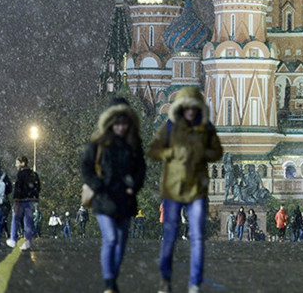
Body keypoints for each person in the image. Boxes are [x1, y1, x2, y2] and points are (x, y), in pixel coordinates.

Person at [149, 86, 222, 293]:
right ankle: (165, 279)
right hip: (173, 188)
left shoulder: (205, 128)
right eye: (187, 106)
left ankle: (195, 283)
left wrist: (202, 152)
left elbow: (217, 151)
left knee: (197, 237)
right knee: (170, 234)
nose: (190, 110)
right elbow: (154, 150)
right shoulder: (171, 127)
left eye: (194, 106)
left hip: (197, 188)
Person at [81, 96, 147, 293]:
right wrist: (98, 185)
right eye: (117, 123)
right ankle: (109, 282)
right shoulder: (99, 142)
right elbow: (86, 167)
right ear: (110, 122)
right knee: (110, 238)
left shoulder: (133, 143)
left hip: (125, 200)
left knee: (121, 241)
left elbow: (140, 169)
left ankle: (113, 278)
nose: (121, 127)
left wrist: (133, 186)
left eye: (124, 123)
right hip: (104, 198)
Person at [7, 155, 40, 251]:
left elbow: (18, 189)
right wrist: (34, 198)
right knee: (28, 221)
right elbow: (38, 187)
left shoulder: (20, 174)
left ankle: (13, 239)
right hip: (31, 201)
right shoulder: (33, 174)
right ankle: (28, 241)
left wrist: (16, 200)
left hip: (21, 200)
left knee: (15, 219)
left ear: (22, 163)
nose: (16, 165)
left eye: (17, 163)